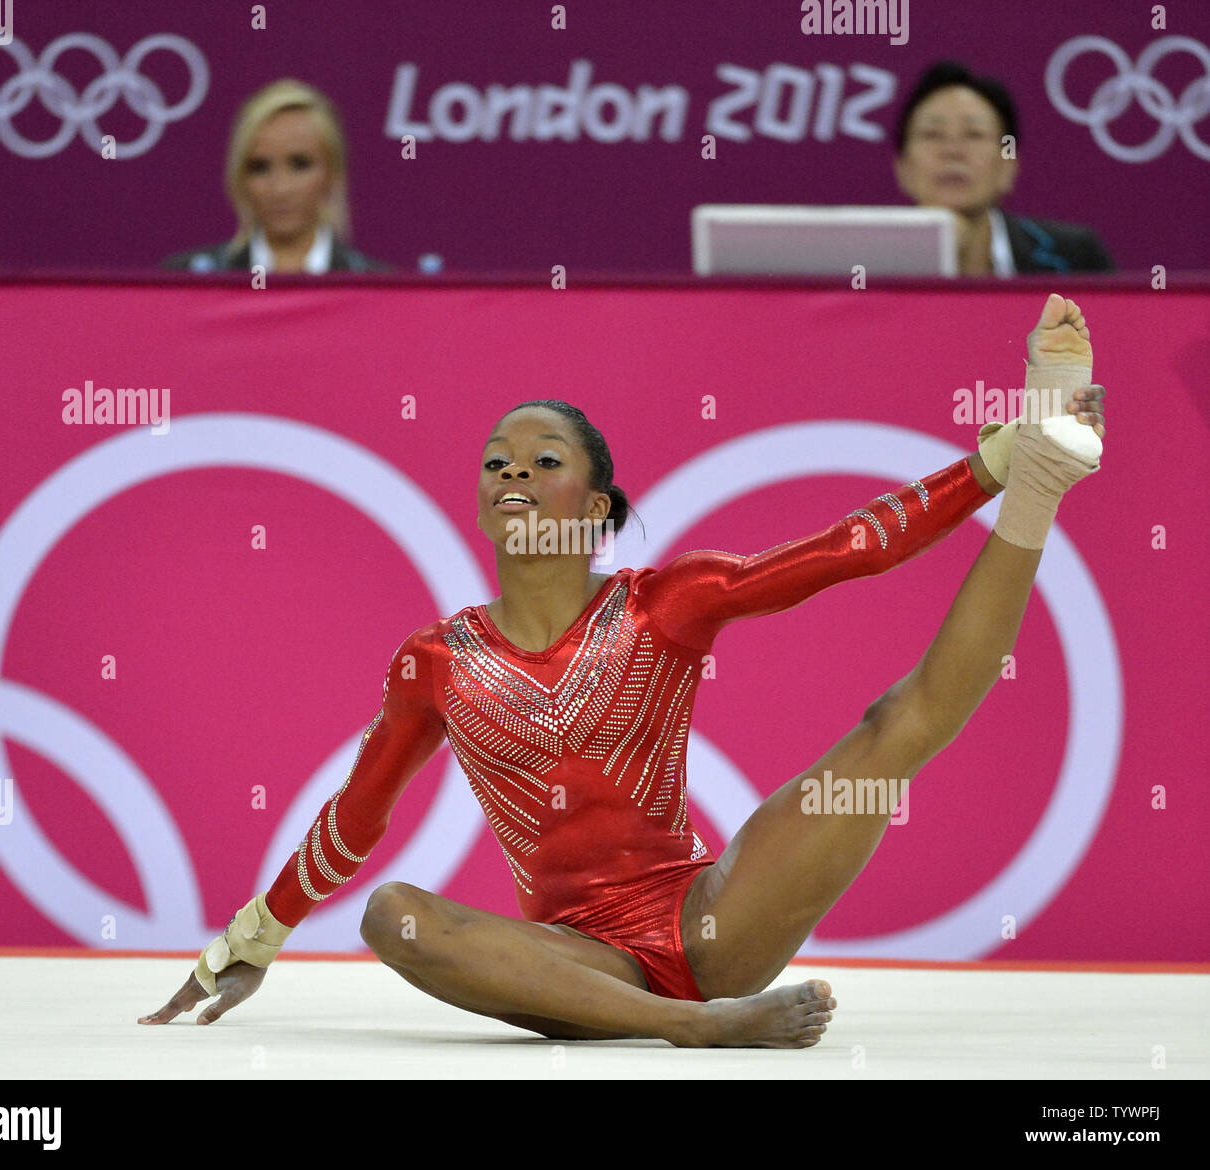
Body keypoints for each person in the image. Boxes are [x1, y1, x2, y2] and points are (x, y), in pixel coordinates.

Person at [140, 294, 1106, 1047]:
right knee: (394, 917)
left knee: (894, 730)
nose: (512, 474)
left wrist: (996, 461)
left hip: (712, 918)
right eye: (494, 462)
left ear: (595, 503)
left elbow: (849, 550)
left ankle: (1039, 487)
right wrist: (252, 938)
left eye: (541, 459)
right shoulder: (433, 663)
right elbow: (356, 820)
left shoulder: (665, 602)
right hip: (576, 964)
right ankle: (694, 1029)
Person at [894, 61, 1114, 276]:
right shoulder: (869, 264)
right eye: (932, 135)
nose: (953, 152)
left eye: (974, 134)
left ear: (1008, 165)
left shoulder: (1076, 259)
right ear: (903, 167)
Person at [162, 79, 390, 274]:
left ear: (332, 172)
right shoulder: (188, 281)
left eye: (300, 165)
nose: (280, 189)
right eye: (259, 167)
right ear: (239, 177)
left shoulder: (378, 289)